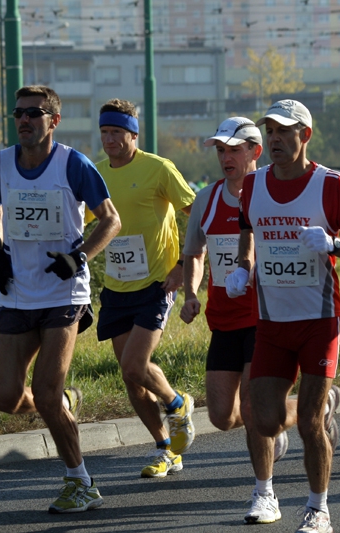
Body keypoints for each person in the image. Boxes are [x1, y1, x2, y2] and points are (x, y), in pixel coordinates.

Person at [180, 117, 340, 525]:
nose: (225, 158)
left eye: (233, 150)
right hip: (223, 319)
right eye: (220, 150)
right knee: (222, 415)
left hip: (266, 317)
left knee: (253, 410)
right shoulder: (208, 198)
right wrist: (191, 294)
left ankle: (264, 493)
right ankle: (315, 409)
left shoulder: (267, 191)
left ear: (254, 152)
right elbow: (194, 253)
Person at [227, 100, 340, 533]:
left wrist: (332, 244)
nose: (273, 138)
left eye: (283, 131)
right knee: (261, 416)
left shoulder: (332, 185)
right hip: (271, 321)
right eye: (269, 131)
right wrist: (243, 266)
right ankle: (266, 494)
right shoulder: (252, 186)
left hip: (318, 319)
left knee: (310, 422)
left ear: (305, 136)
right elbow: (247, 230)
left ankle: (317, 508)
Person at [0, 85, 121, 513]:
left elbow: (111, 220)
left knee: (43, 392)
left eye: (34, 113)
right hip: (17, 293)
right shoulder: (1, 163)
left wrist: (78, 257)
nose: (24, 120)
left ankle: (80, 481)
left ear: (53, 121)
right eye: (19, 113)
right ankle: (64, 404)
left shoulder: (73, 164)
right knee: (6, 397)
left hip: (64, 293)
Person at [91, 98, 198, 477]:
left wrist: (184, 265)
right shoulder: (97, 174)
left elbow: (197, 214)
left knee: (137, 365)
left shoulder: (158, 169)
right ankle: (165, 449)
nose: (110, 139)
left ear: (133, 134)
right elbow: (81, 219)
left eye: (117, 132)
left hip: (157, 281)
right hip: (116, 287)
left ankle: (177, 404)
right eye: (104, 132)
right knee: (131, 377)